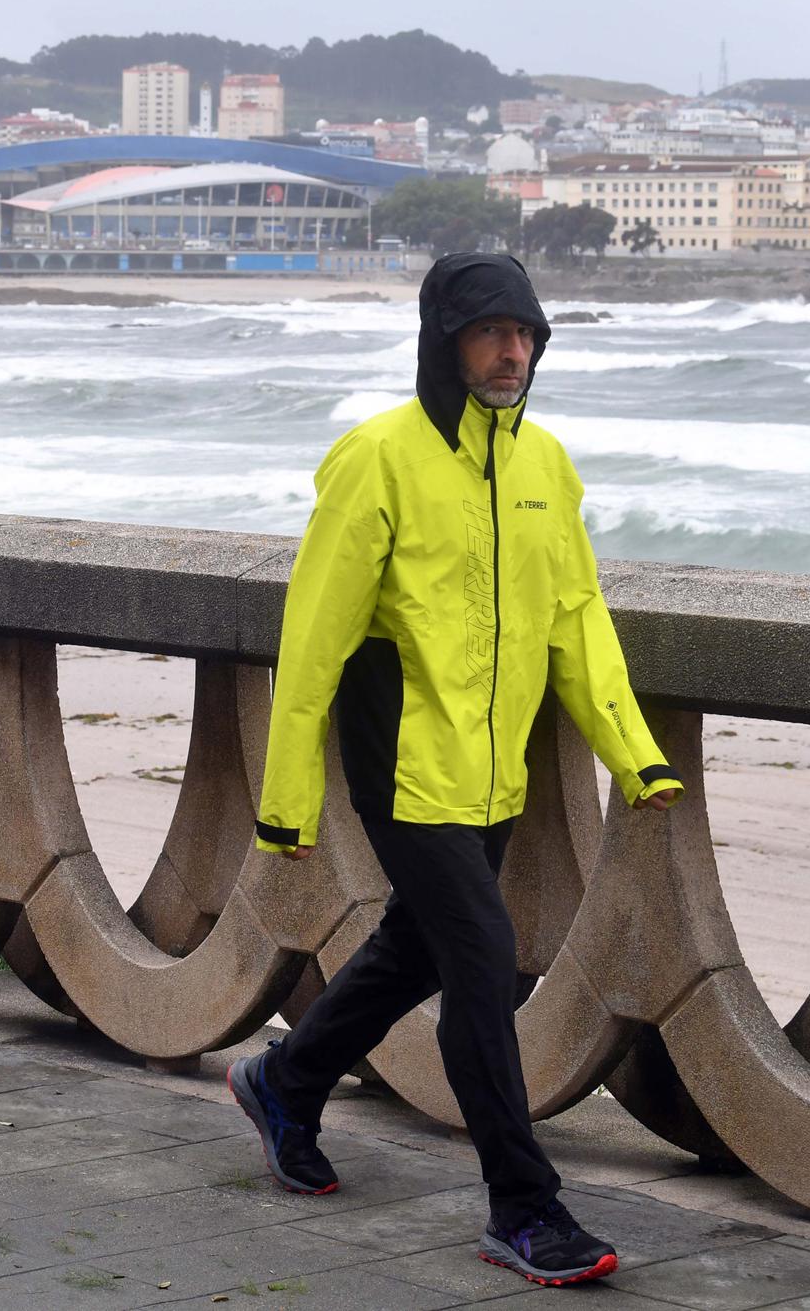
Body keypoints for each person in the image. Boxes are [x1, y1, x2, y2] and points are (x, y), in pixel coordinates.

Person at [229, 252, 682, 1290]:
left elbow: (575, 619)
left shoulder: (544, 468)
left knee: (416, 949)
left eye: (524, 334)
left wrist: (633, 750)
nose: (510, 351)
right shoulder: (375, 458)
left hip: (493, 772)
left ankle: (283, 1078)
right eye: (488, 332)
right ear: (444, 341)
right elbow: (314, 637)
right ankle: (524, 1205)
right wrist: (287, 798)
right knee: (481, 951)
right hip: (399, 762)